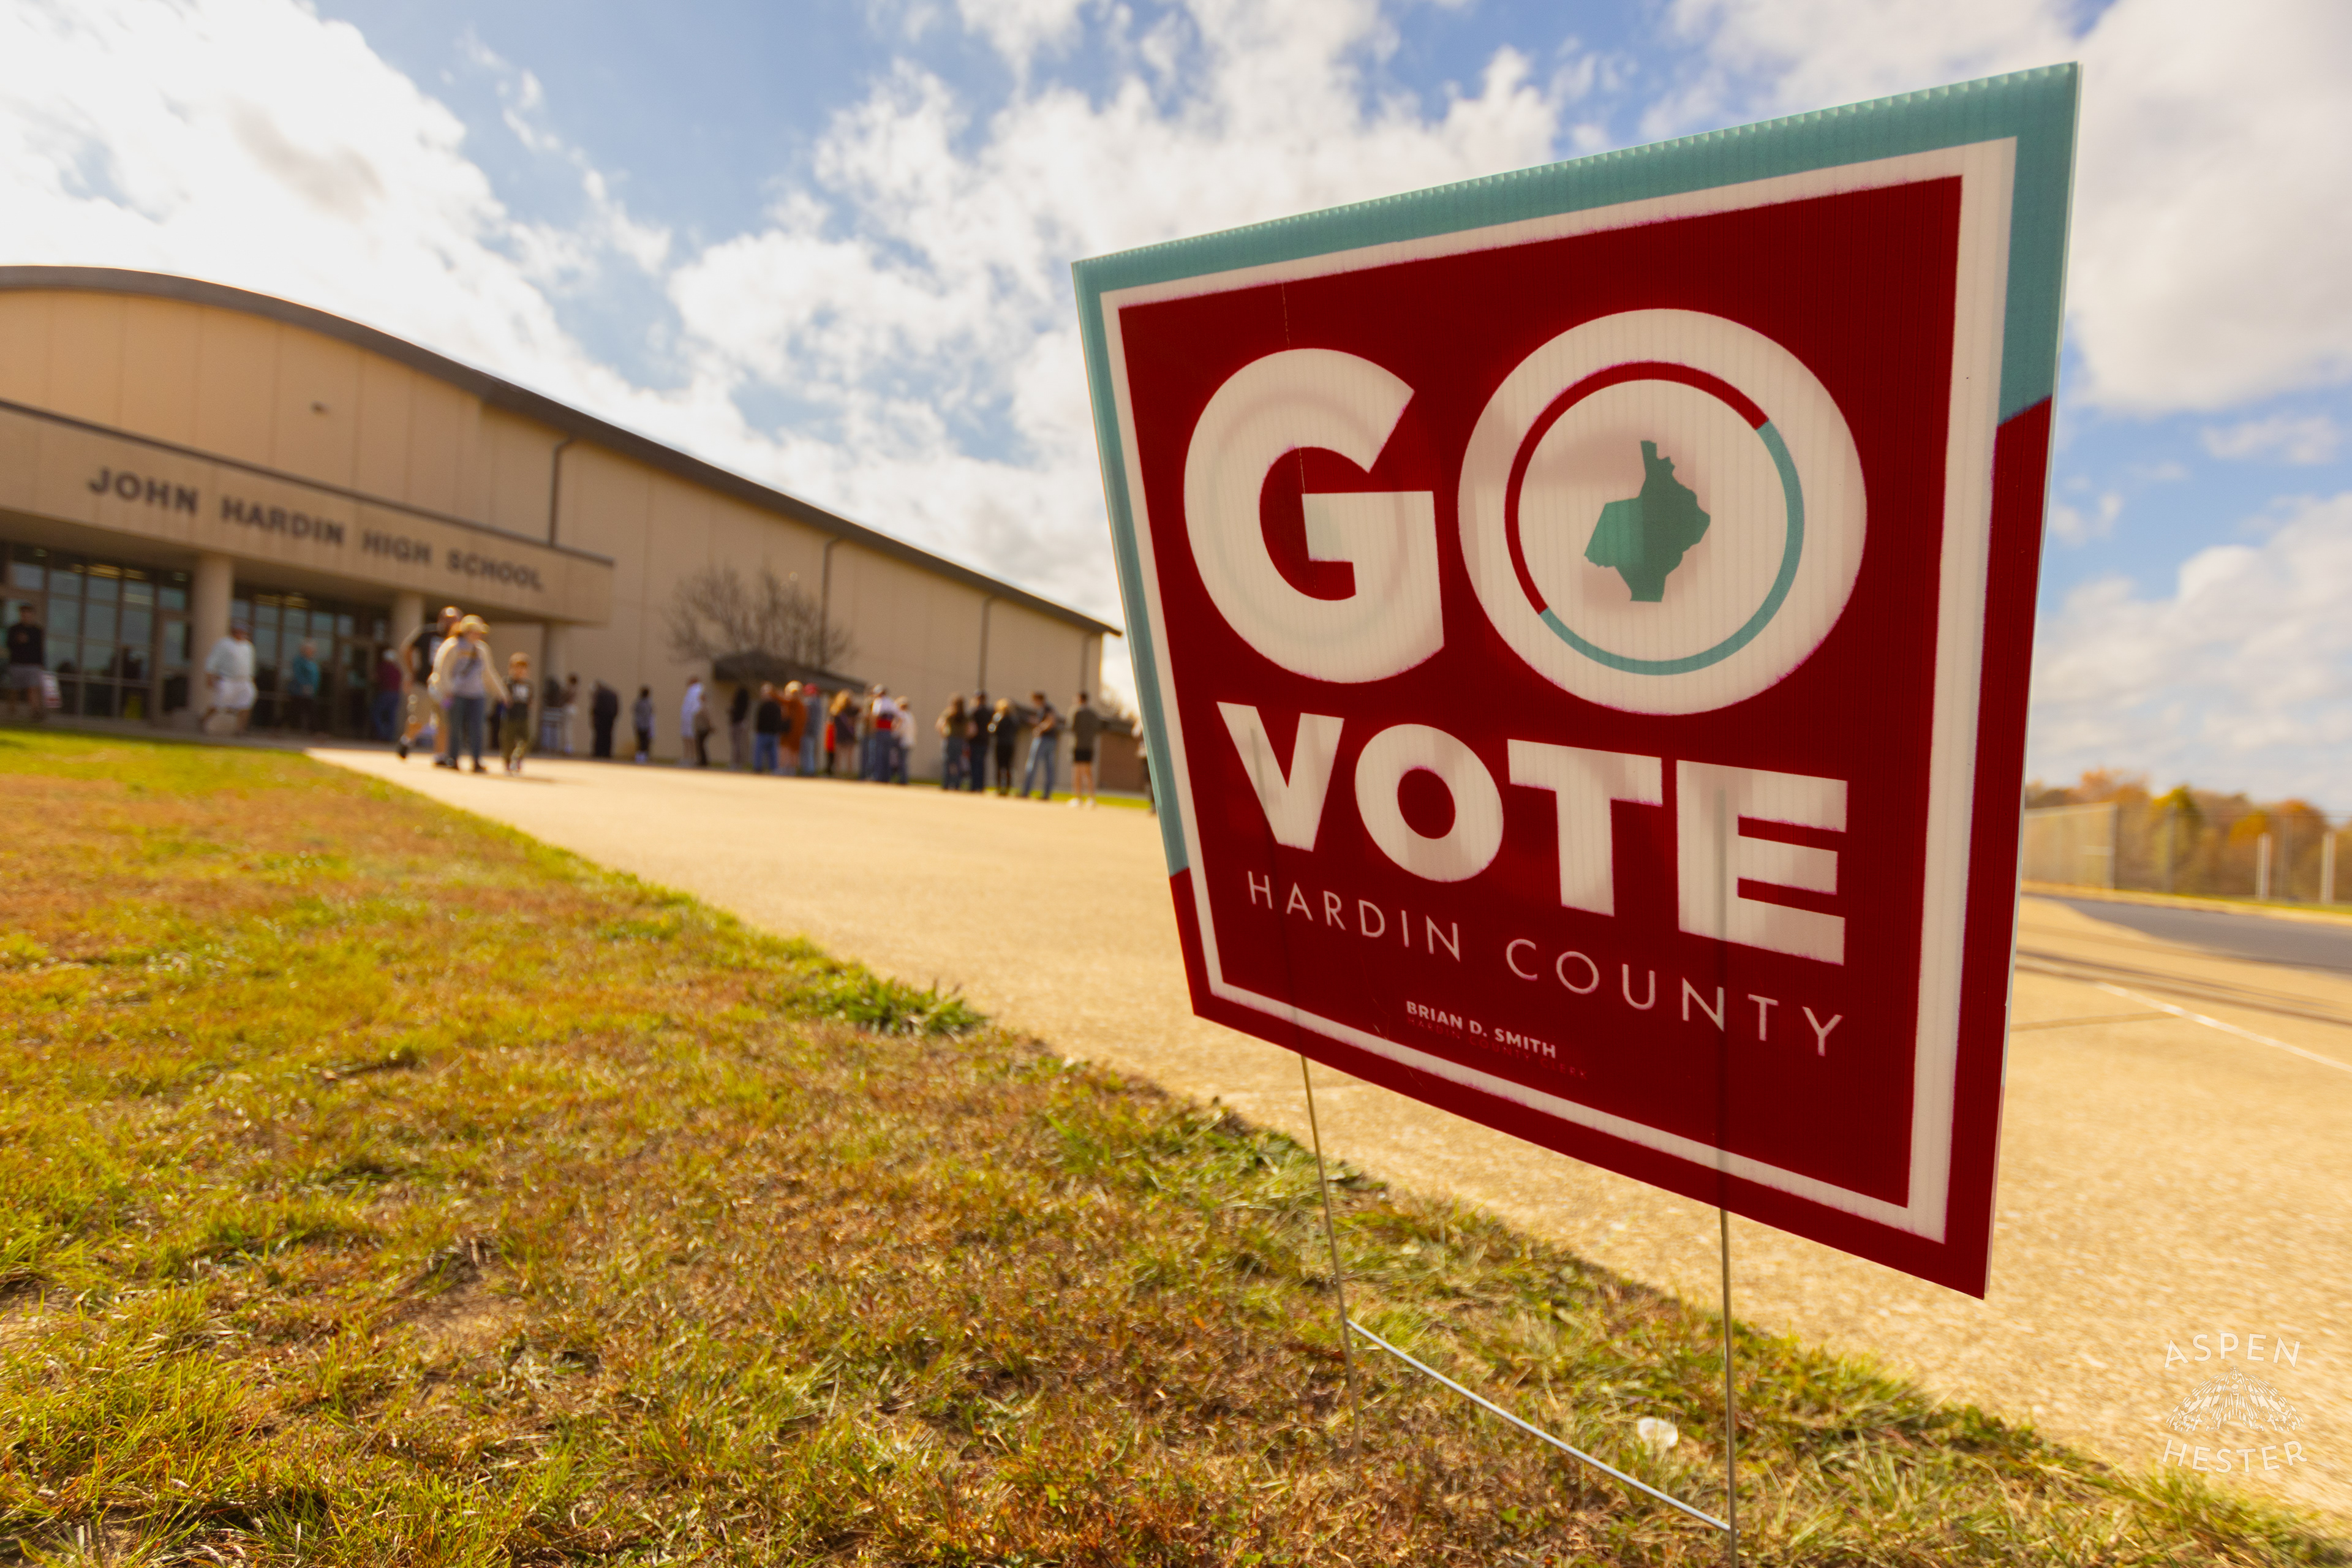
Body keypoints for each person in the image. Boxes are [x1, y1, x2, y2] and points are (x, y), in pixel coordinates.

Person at [430, 614, 505, 773]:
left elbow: (488, 673)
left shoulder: (482, 649)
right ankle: (453, 759)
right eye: (474, 632)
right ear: (465, 631)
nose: (477, 635)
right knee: (455, 727)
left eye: (479, 632)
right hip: (456, 694)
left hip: (477, 694)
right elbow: (442, 670)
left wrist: (502, 693)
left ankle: (476, 760)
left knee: (477, 728)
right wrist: (447, 691)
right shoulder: (453, 646)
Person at [397, 606, 461, 762]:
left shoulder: (458, 641)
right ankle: (407, 740)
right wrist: (411, 672)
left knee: (444, 721)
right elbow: (407, 649)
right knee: (420, 718)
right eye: (448, 619)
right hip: (423, 684)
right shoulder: (427, 634)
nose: (450, 623)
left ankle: (440, 756)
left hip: (444, 688)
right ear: (440, 619)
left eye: (454, 620)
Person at [200, 622, 257, 735]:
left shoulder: (248, 646)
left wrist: (252, 678)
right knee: (220, 704)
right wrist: (209, 676)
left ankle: (240, 730)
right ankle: (203, 720)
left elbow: (250, 665)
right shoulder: (224, 644)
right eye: (238, 631)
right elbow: (213, 660)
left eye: (243, 632)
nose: (241, 634)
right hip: (228, 679)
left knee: (246, 704)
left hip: (245, 680)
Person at [5, 603, 47, 723]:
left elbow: (40, 649)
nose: (26, 616)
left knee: (32, 688)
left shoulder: (37, 631)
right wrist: (18, 641)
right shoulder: (14, 629)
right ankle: (12, 710)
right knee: (14, 689)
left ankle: (35, 711)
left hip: (32, 665)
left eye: (28, 614)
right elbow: (9, 645)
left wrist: (41, 663)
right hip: (17, 664)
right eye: (24, 614)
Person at [1020, 690, 1061, 800]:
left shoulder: (1047, 708)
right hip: (1050, 740)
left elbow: (1051, 721)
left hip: (1044, 740)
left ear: (1038, 699)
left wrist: (1040, 728)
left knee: (1032, 765)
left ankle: (1026, 792)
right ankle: (1047, 794)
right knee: (1049, 767)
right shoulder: (1045, 709)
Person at [500, 652, 535, 774]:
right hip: (510, 717)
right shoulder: (508, 682)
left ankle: (518, 757)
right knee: (508, 741)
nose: (520, 671)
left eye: (523, 668)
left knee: (526, 739)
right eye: (517, 668)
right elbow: (503, 697)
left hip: (523, 716)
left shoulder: (529, 685)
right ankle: (508, 762)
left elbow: (531, 700)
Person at [1068, 690, 1102, 808]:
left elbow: (1071, 727)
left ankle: (1078, 798)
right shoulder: (1094, 714)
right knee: (1088, 772)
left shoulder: (1076, 712)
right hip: (1089, 745)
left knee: (1077, 772)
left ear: (1079, 699)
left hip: (1078, 745)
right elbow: (1098, 728)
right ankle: (1092, 798)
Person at [284, 639, 321, 734]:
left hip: (310, 693)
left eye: (313, 649)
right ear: (304, 649)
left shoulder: (312, 662)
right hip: (299, 692)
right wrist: (304, 685)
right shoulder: (299, 661)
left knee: (312, 711)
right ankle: (276, 727)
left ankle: (316, 731)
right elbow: (298, 674)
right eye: (310, 649)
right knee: (292, 711)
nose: (312, 651)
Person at [371, 645, 403, 742]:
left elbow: (374, 678)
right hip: (396, 695)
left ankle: (381, 734)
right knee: (391, 716)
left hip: (385, 693)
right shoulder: (397, 669)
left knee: (376, 713)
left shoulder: (383, 667)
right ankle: (389, 737)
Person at [988, 697, 1019, 796]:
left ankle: (999, 788)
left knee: (999, 766)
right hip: (1010, 744)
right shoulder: (1013, 719)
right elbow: (1017, 730)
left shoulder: (998, 717)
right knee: (1008, 767)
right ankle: (1007, 789)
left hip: (1001, 744)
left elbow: (992, 730)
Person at [752, 682, 785, 775]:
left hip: (772, 733)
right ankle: (758, 768)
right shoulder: (762, 705)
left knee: (773, 753)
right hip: (762, 732)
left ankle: (774, 769)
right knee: (759, 752)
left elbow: (779, 720)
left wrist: (777, 730)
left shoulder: (776, 706)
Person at [937, 695, 967, 790]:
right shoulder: (965, 715)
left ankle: (946, 784)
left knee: (947, 762)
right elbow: (972, 729)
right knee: (957, 762)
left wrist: (943, 734)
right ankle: (957, 784)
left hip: (950, 739)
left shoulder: (949, 714)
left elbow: (940, 725)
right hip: (960, 740)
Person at [782, 680, 812, 777]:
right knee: (786, 751)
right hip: (788, 732)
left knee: (794, 752)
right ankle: (786, 768)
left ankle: (793, 770)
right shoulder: (790, 706)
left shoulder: (801, 706)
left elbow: (802, 721)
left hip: (796, 733)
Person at [964, 687, 990, 793]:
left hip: (975, 741)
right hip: (985, 741)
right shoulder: (989, 712)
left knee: (974, 764)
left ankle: (974, 786)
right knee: (982, 764)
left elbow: (970, 727)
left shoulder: (974, 711)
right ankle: (981, 786)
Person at [681, 676, 709, 767]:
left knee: (692, 739)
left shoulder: (698, 690)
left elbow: (697, 707)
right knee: (687, 739)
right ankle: (688, 757)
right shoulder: (691, 691)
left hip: (693, 720)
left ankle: (693, 758)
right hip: (688, 718)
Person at [590, 680, 620, 760]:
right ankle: (607, 753)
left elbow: (596, 707)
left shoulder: (599, 694)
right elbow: (617, 707)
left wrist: (594, 717)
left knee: (599, 735)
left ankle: (598, 752)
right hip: (610, 717)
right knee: (609, 735)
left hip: (600, 717)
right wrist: (614, 716)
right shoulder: (614, 694)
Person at [827, 690, 853, 775]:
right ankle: (845, 775)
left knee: (841, 757)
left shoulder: (836, 711)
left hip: (843, 735)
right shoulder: (838, 711)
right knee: (844, 757)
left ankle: (841, 775)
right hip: (846, 735)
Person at [727, 681, 752, 770]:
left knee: (737, 744)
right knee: (738, 744)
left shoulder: (738, 706)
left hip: (737, 724)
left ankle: (736, 763)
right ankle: (738, 762)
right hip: (740, 723)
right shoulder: (745, 705)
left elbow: (735, 713)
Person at [891, 693, 913, 784]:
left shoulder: (903, 716)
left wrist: (894, 734)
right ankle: (903, 779)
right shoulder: (910, 716)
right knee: (903, 761)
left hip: (904, 742)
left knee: (902, 762)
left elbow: (900, 730)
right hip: (909, 742)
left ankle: (903, 780)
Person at [631, 685, 654, 763]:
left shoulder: (638, 702)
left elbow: (633, 710)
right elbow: (650, 713)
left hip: (639, 724)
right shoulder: (648, 703)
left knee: (640, 741)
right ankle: (644, 756)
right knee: (645, 741)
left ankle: (639, 756)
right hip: (646, 725)